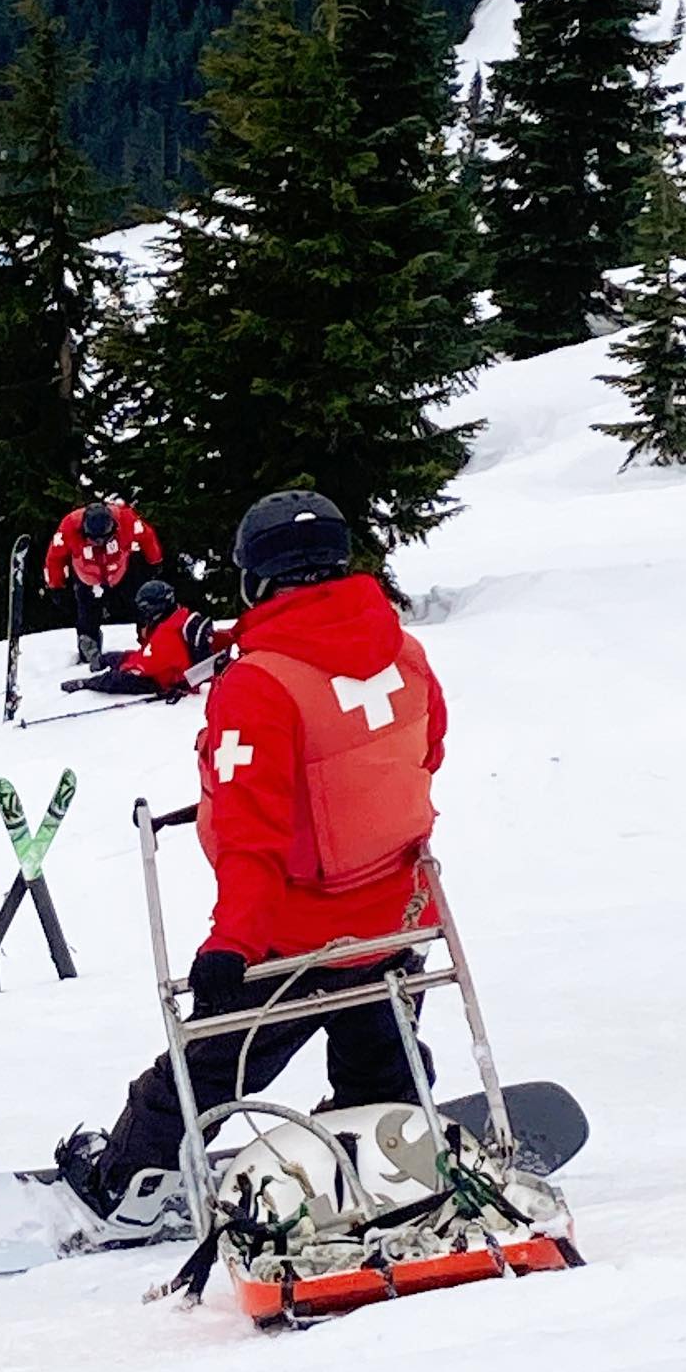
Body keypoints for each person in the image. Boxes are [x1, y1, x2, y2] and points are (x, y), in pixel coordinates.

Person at [56, 490, 448, 1231]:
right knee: (378, 1037)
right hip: (398, 914)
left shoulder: (260, 685)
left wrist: (230, 943)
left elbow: (252, 834)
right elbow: (425, 752)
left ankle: (135, 1178)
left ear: (256, 580)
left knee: (213, 1058)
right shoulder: (404, 652)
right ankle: (380, 1126)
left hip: (292, 928)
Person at [44, 498, 163, 669]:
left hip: (122, 572)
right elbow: (54, 558)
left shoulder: (126, 519)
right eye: (94, 539)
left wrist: (154, 561)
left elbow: (147, 536)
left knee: (141, 607)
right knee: (87, 617)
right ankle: (88, 657)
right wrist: (56, 585)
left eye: (104, 538)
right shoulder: (69, 526)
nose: (99, 543)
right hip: (87, 578)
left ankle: (151, 646)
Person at [59, 579, 221, 698]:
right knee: (118, 658)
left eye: (144, 608)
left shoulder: (166, 633)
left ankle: (85, 684)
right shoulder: (179, 616)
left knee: (116, 680)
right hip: (166, 668)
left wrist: (116, 669)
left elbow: (143, 667)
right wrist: (115, 658)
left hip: (165, 679)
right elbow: (145, 655)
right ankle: (101, 661)